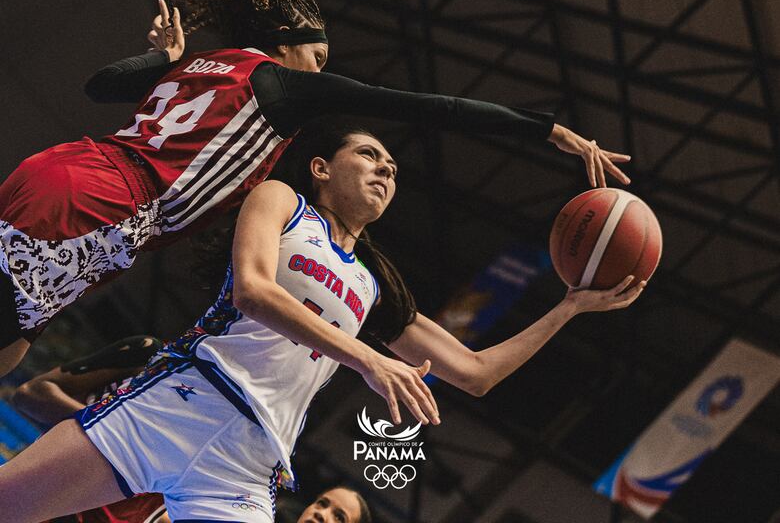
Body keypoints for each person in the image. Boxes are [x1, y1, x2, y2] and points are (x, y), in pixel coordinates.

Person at [0, 0, 629, 376]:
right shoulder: (278, 84)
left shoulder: (203, 66)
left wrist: (160, 60)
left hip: (67, 173)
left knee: (14, 348)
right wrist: (544, 129)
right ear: (288, 47)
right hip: (107, 203)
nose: (323, 71)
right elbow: (430, 106)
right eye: (319, 59)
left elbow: (98, 87)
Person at [0, 123, 645, 523]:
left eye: (391, 167)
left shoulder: (372, 284)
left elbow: (475, 374)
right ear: (321, 168)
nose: (386, 169)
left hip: (248, 467)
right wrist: (368, 357)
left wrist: (570, 307)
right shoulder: (282, 203)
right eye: (369, 155)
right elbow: (253, 291)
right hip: (178, 406)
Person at [12, 335, 168, 523]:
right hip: (33, 493)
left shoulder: (211, 448)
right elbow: (30, 393)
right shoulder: (153, 356)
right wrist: (105, 425)